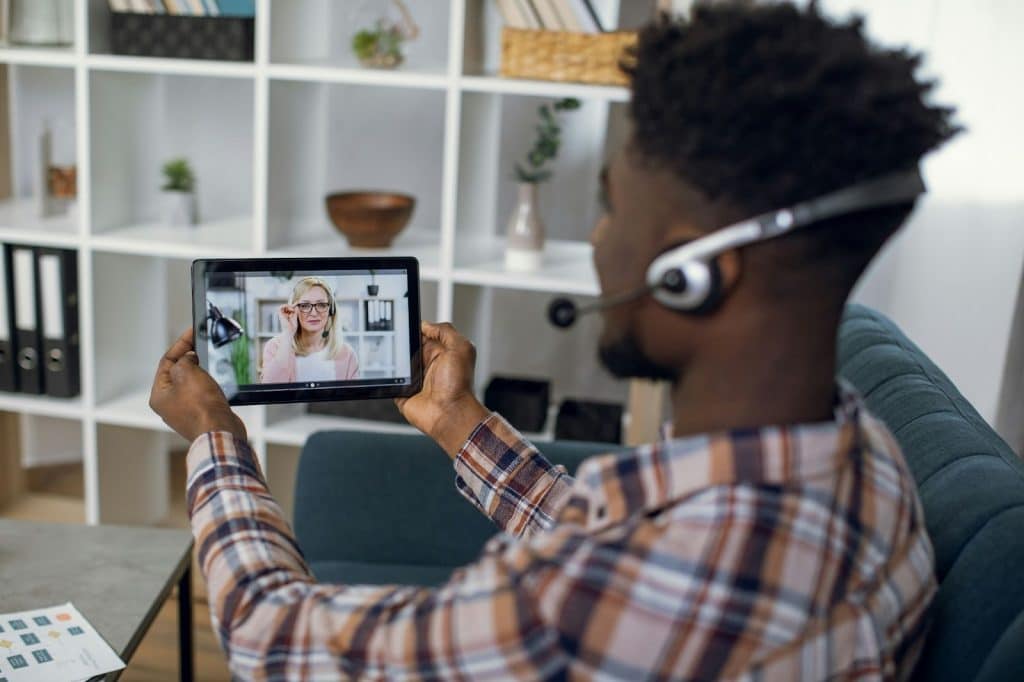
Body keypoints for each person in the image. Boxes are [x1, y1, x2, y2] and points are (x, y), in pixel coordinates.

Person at [149, 3, 959, 679]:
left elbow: (272, 638)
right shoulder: (866, 459)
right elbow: (607, 539)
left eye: (612, 208)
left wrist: (217, 441)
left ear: (696, 273)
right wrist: (458, 423)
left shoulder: (608, 606)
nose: (601, 244)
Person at [260, 276, 359, 384]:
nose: (314, 313)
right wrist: (288, 333)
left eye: (321, 305)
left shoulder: (347, 353)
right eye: (305, 305)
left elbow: (354, 399)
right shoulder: (275, 347)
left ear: (331, 310)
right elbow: (271, 392)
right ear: (293, 309)